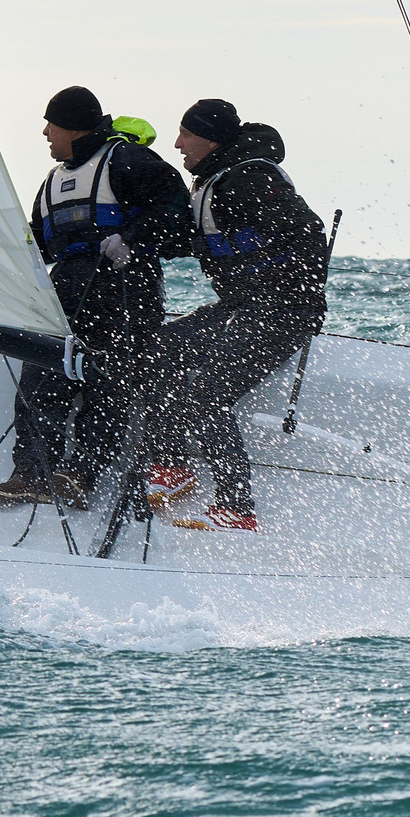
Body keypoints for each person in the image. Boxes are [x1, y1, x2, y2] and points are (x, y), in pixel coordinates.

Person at [0, 86, 190, 507]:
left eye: (51, 123)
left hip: (124, 288)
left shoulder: (128, 161)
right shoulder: (53, 182)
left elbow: (178, 218)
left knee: (107, 385)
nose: (44, 132)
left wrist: (132, 240)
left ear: (74, 125)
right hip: (66, 291)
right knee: (40, 379)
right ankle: (31, 474)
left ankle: (82, 474)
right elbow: (36, 245)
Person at [147, 99, 331, 531]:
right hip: (238, 305)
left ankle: (236, 507)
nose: (178, 143)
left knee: (209, 393)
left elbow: (308, 234)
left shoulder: (250, 176)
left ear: (210, 138)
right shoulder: (213, 181)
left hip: (281, 310)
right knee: (158, 349)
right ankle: (173, 469)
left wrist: (290, 298)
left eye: (186, 134)